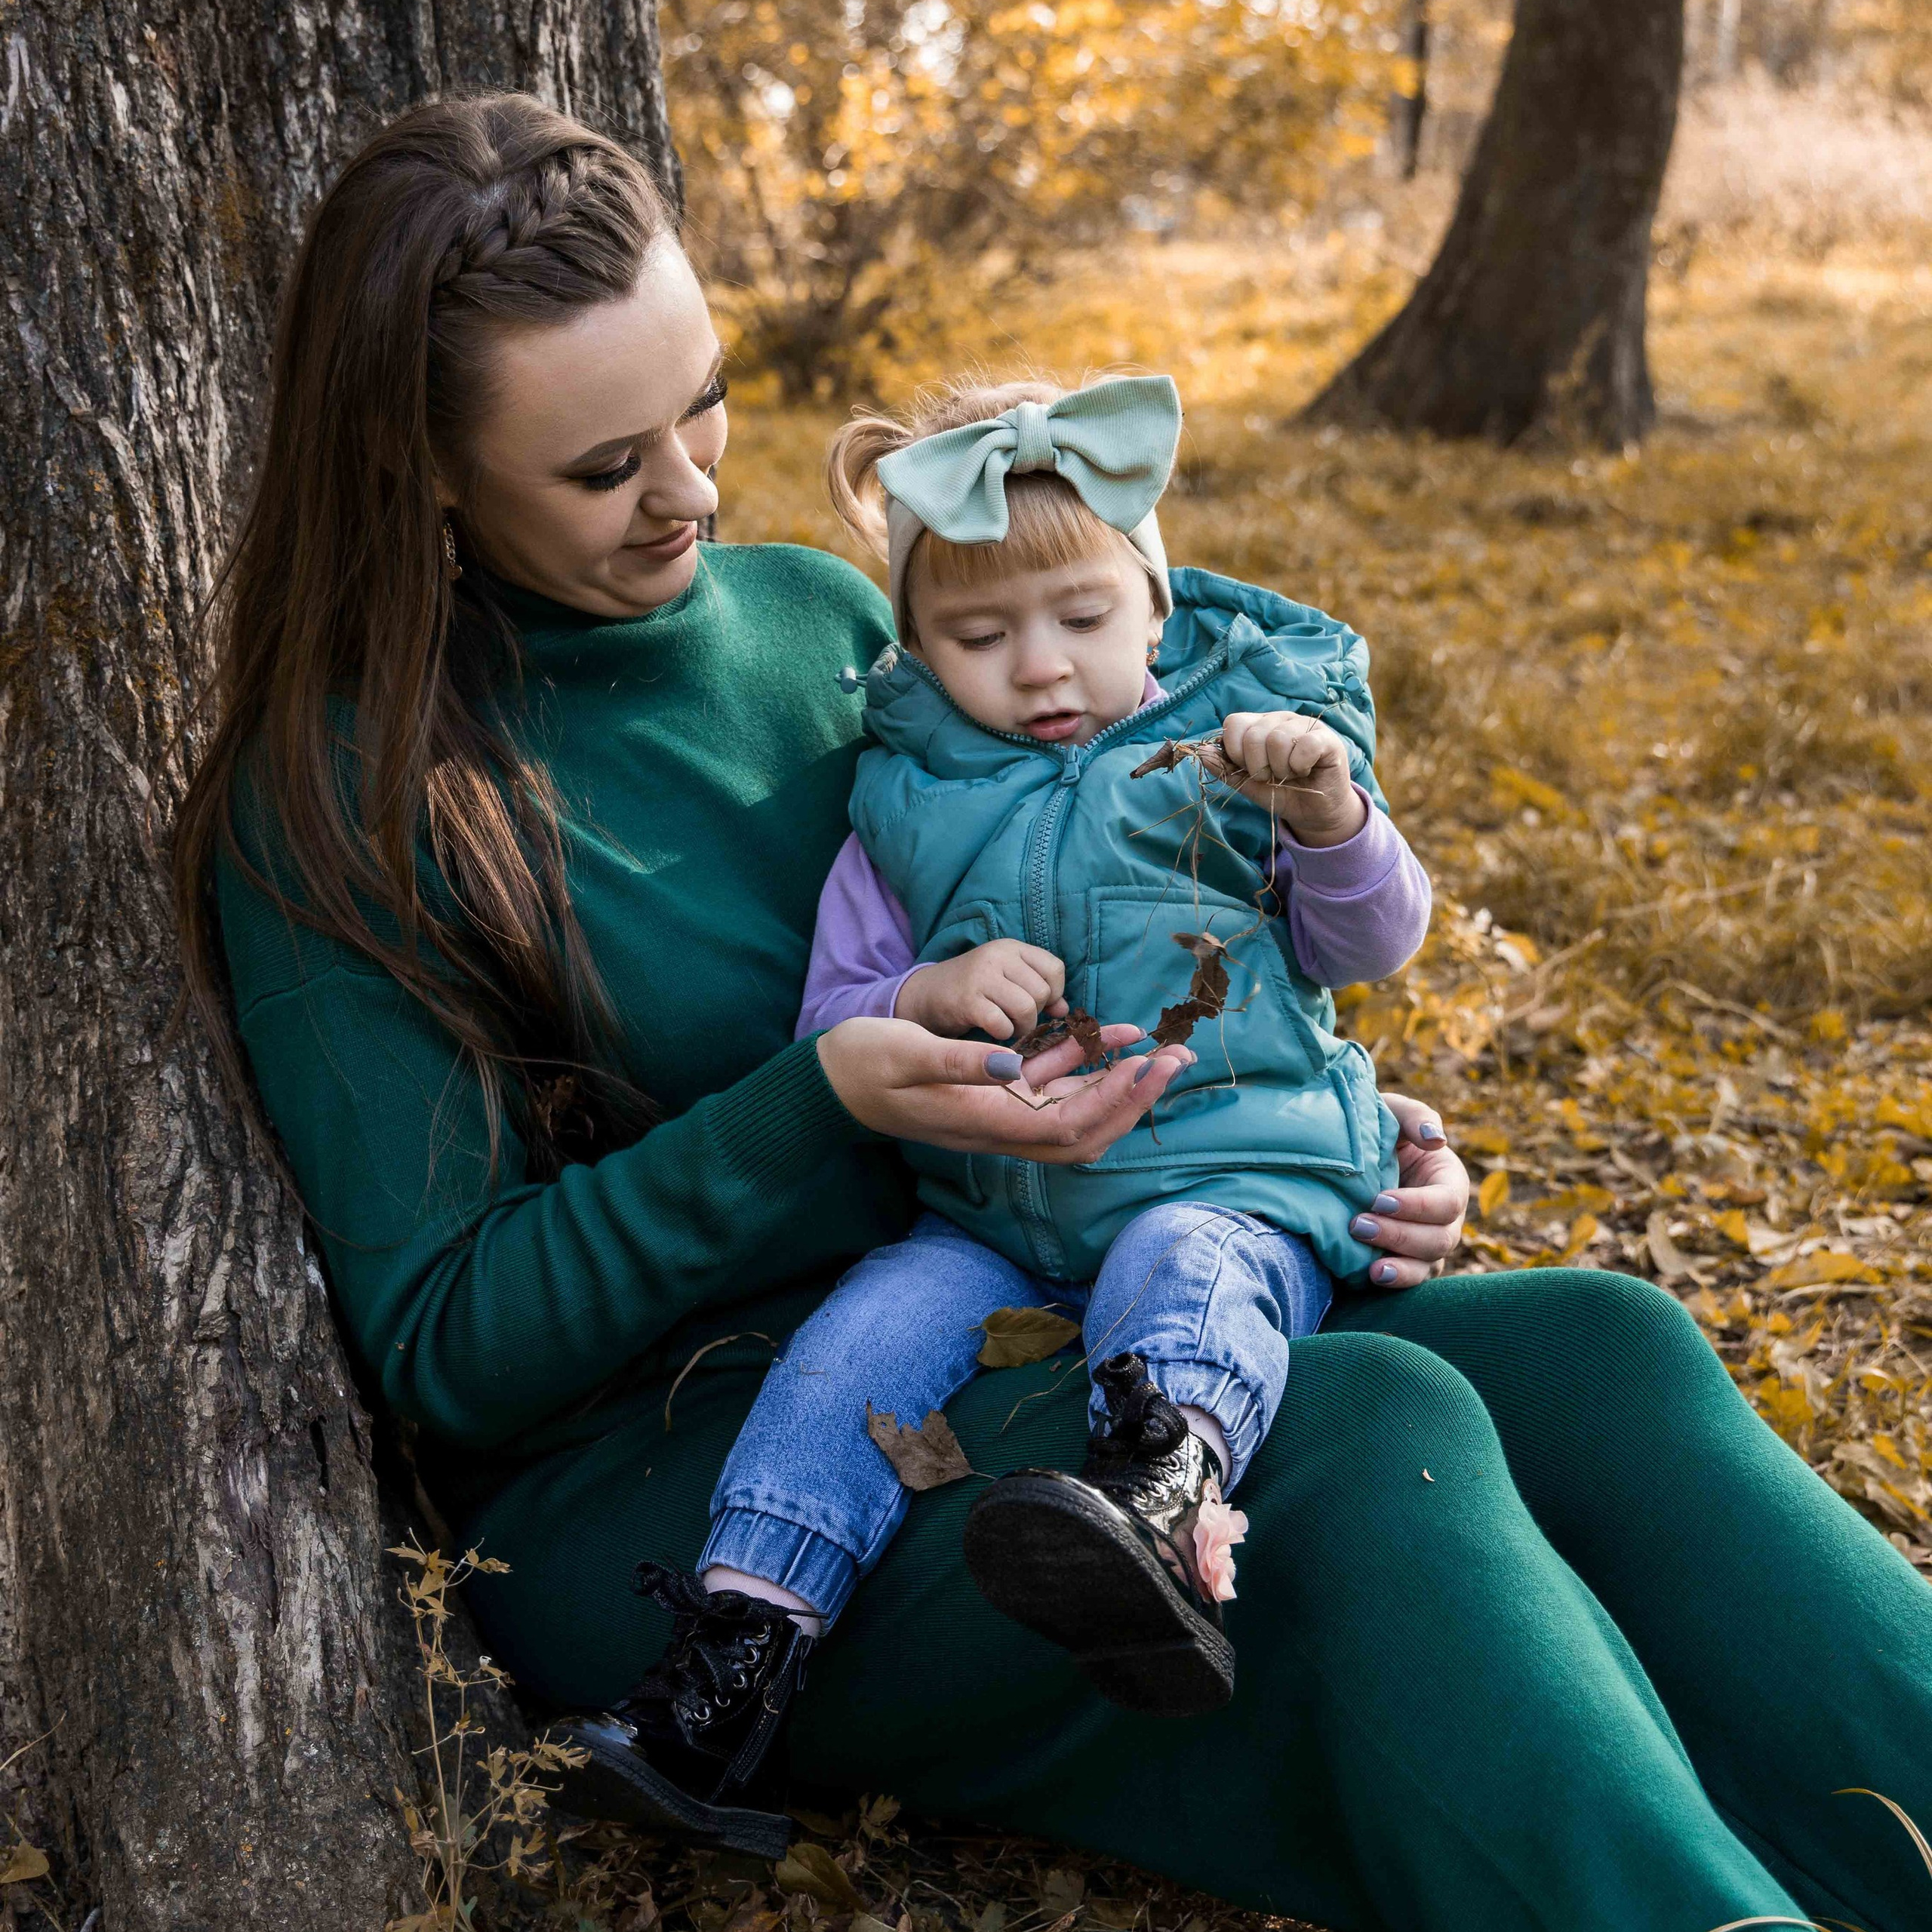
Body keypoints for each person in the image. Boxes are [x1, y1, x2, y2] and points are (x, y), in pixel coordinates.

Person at [175, 91, 1932, 1932]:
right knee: (1352, 1448)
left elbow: (1086, 912)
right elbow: (448, 1344)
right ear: (428, 478)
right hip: (705, 1487)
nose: (691, 488)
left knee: (1600, 1351)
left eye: (699, 402)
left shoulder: (818, 624)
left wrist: (1301, 1141)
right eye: (604, 470)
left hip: (1024, 1288)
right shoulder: (347, 804)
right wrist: (826, 1098)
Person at [577, 371, 1436, 1818]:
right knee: (857, 1342)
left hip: (1224, 1183)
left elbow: (1368, 943)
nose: (1041, 670)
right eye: (981, 637)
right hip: (989, 1216)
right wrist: (921, 997)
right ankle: (735, 1659)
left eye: (1085, 621)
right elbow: (834, 1020)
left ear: (1154, 607)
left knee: (1185, 1266)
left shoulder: (1244, 754)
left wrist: (1329, 812)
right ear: (913, 645)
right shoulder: (902, 799)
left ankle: (1160, 1504)